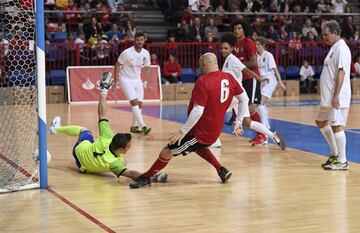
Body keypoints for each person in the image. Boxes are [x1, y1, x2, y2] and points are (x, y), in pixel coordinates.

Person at [129, 53, 251, 188]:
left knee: (167, 151)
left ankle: (146, 178)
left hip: (201, 132)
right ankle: (221, 170)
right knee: (197, 147)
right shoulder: (229, 77)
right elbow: (244, 99)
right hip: (210, 130)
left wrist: (182, 131)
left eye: (200, 65)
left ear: (204, 64)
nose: (200, 68)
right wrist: (238, 122)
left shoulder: (203, 81)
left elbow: (198, 110)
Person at [49, 72, 168, 182]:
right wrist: (152, 176)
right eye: (128, 146)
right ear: (121, 150)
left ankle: (57, 129)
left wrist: (103, 91)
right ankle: (55, 128)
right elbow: (131, 174)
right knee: (121, 161)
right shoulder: (114, 163)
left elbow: (101, 113)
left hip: (80, 152)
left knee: (84, 132)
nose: (130, 147)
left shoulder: (107, 137)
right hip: (82, 166)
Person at [220, 33, 286, 149]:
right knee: (248, 122)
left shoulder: (232, 59)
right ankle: (273, 136)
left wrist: (259, 78)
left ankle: (212, 140)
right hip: (237, 96)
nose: (223, 50)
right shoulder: (227, 60)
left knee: (215, 113)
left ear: (231, 48)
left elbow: (246, 70)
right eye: (221, 48)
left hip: (235, 96)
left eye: (226, 48)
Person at [317, 20, 351, 170]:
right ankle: (335, 153)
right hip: (327, 97)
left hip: (336, 96)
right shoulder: (333, 47)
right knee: (321, 122)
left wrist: (336, 95)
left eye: (326, 34)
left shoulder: (342, 48)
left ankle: (342, 160)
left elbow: (341, 72)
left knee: (337, 125)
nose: (324, 37)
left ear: (335, 32)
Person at [229, 19, 266, 145]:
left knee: (250, 108)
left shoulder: (248, 43)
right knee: (244, 109)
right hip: (240, 80)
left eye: (239, 28)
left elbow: (254, 62)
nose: (236, 30)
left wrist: (238, 65)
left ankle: (262, 135)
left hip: (251, 78)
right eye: (234, 28)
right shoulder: (233, 44)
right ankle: (260, 133)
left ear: (244, 29)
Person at [114, 32, 152, 135]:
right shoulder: (127, 53)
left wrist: (149, 82)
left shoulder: (146, 53)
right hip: (125, 79)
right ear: (134, 40)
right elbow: (117, 65)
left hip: (137, 80)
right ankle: (143, 126)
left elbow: (147, 69)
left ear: (144, 41)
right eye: (137, 40)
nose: (139, 42)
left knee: (139, 104)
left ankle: (134, 126)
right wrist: (116, 80)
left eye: (141, 40)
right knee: (134, 102)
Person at [255, 37, 287, 129]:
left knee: (259, 103)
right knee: (262, 105)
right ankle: (267, 125)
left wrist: (280, 82)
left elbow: (275, 70)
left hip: (270, 81)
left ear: (263, 45)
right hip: (261, 81)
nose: (256, 46)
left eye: (258, 45)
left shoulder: (268, 55)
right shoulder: (256, 56)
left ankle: (264, 127)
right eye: (255, 45)